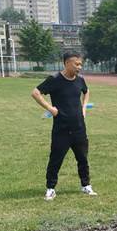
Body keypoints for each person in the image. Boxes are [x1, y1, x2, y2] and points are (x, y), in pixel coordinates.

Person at [31, 52, 97, 201]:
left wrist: (84, 108)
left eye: (81, 64)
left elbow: (86, 91)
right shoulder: (55, 80)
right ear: (67, 63)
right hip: (61, 129)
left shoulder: (80, 80)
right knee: (55, 159)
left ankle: (86, 185)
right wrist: (50, 109)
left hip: (79, 128)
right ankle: (51, 188)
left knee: (83, 158)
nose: (79, 67)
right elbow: (35, 93)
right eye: (76, 64)